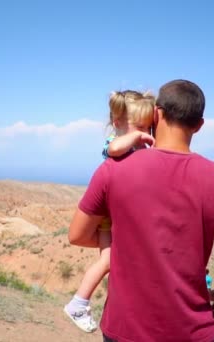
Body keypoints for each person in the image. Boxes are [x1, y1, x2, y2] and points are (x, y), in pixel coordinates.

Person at [68, 79, 214, 341]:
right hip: (193, 332)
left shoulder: (113, 169)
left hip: (125, 330)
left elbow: (77, 235)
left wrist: (129, 246)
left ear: (157, 114)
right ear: (199, 126)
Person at [64, 90, 156, 333]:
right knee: (108, 260)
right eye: (139, 126)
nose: (145, 134)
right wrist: (138, 138)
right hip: (106, 218)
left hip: (113, 217)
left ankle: (80, 302)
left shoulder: (135, 146)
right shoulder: (115, 145)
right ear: (117, 123)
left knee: (114, 260)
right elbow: (115, 148)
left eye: (149, 128)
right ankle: (79, 302)